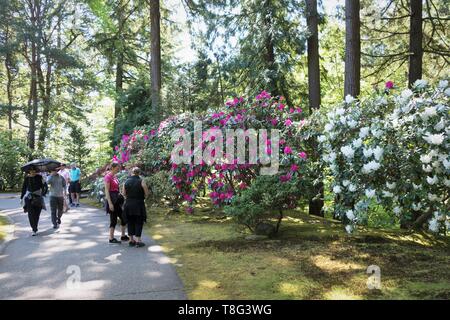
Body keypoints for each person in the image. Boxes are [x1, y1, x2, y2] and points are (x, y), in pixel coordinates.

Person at [122, 167, 150, 247]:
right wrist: (143, 197)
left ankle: (131, 240)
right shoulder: (141, 181)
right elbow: (146, 193)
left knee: (130, 221)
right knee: (138, 221)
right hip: (138, 203)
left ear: (132, 173)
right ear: (139, 173)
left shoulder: (126, 182)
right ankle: (138, 241)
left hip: (128, 204)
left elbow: (123, 193)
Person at [104, 162, 129, 244]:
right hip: (112, 201)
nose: (119, 169)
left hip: (117, 200)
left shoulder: (114, 176)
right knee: (113, 219)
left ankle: (123, 236)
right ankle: (111, 238)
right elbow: (107, 191)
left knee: (123, 218)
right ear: (113, 168)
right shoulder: (108, 177)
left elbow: (116, 189)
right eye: (117, 167)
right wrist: (110, 203)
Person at [20, 169, 48, 236]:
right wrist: (21, 197)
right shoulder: (27, 178)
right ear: (29, 171)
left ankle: (35, 227)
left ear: (36, 171)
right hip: (29, 198)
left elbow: (45, 186)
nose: (33, 172)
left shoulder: (39, 177)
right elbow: (24, 188)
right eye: (31, 171)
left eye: (34, 170)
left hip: (38, 197)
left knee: (37, 214)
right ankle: (34, 229)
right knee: (31, 214)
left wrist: (43, 192)